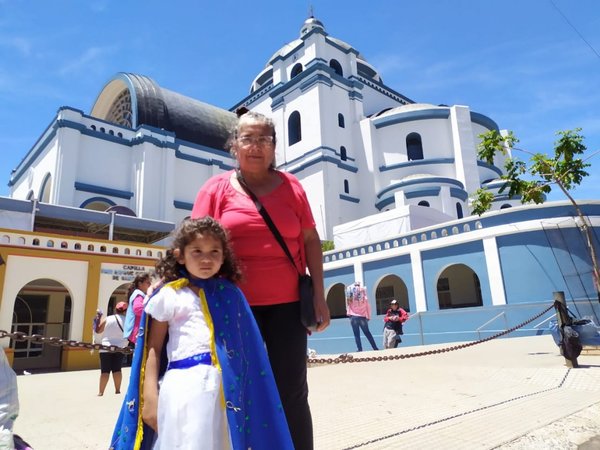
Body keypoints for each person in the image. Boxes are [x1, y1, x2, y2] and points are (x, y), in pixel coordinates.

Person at [191, 111, 330, 450]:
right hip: (234, 306)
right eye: (248, 139)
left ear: (274, 147)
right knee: (237, 386)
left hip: (287, 305)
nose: (256, 147)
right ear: (234, 145)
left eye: (264, 140)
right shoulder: (215, 189)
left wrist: (320, 297)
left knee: (292, 391)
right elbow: (193, 244)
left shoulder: (292, 187)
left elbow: (311, 240)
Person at [110, 217, 293, 450]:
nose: (206, 259)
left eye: (214, 251)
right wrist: (150, 396)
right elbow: (153, 348)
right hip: (181, 390)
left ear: (224, 256)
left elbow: (248, 354)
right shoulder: (169, 295)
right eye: (197, 251)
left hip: (224, 392)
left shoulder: (231, 296)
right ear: (180, 255)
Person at [94, 302, 129, 396]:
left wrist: (98, 318)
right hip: (120, 347)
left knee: (104, 371)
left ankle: (101, 392)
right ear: (125, 311)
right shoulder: (128, 320)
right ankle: (117, 390)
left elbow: (98, 330)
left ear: (115, 309)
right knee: (117, 369)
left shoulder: (108, 319)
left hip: (106, 347)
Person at [346, 281, 379, 351]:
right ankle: (375, 348)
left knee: (356, 334)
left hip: (353, 317)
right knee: (367, 333)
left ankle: (360, 349)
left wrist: (349, 314)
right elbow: (368, 307)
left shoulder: (351, 295)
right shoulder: (364, 296)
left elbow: (348, 306)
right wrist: (369, 316)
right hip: (362, 317)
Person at [122, 273, 152, 346]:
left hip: (136, 333)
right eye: (147, 282)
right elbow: (138, 309)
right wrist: (152, 311)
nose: (150, 284)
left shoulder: (139, 294)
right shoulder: (139, 295)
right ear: (140, 284)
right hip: (137, 333)